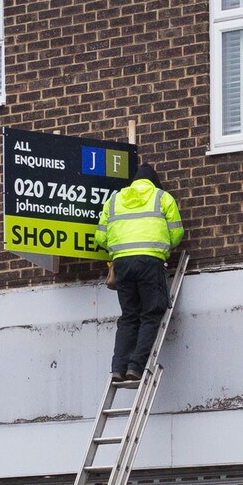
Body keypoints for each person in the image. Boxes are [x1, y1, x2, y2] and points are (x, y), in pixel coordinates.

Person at [93, 162, 184, 382]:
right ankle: (135, 366)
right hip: (150, 262)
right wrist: (163, 248)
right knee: (151, 313)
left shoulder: (114, 200)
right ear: (154, 182)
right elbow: (177, 234)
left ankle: (118, 367)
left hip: (122, 264)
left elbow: (100, 238)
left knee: (129, 316)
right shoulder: (162, 197)